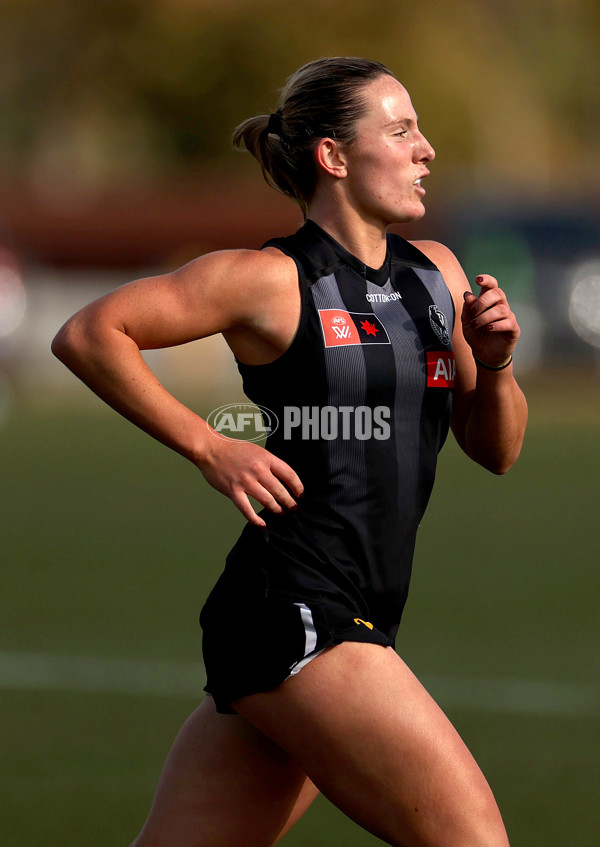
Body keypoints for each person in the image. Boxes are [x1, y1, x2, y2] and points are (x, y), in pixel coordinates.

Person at [52, 57, 527, 847]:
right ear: (333, 157)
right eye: (401, 129)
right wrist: (209, 444)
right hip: (300, 613)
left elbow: (497, 450)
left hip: (343, 615)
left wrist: (499, 361)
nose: (427, 149)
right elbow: (91, 333)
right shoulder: (270, 279)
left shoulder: (437, 275)